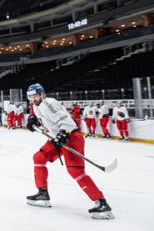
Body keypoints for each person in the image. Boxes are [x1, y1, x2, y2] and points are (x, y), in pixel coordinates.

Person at [25, 83, 113, 219]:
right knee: (39, 158)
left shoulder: (48, 103)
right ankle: (42, 193)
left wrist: (63, 134)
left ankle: (101, 203)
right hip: (57, 139)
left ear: (42, 94)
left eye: (35, 96)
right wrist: (34, 120)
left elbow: (65, 120)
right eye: (31, 97)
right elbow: (46, 119)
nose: (33, 99)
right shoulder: (37, 106)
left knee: (75, 171)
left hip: (70, 137)